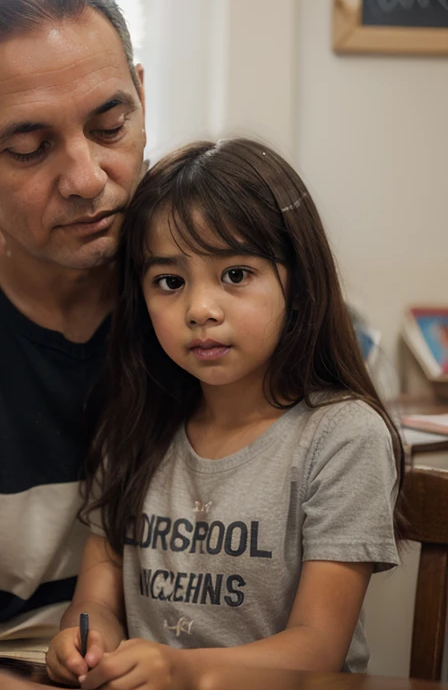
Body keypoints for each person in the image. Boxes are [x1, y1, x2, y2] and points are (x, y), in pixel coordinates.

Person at [46, 139, 404, 689]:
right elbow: (98, 604)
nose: (200, 310)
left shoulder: (342, 436)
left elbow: (318, 646)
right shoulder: (135, 427)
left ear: (300, 279)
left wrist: (177, 669)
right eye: (170, 282)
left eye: (236, 275)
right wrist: (84, 641)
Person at [0, 0, 145, 653]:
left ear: (141, 95)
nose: (87, 178)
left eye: (111, 126)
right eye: (30, 147)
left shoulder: (212, 284)